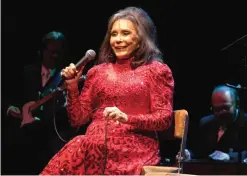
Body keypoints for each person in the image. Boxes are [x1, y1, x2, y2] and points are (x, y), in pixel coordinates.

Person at [40, 6, 174, 175]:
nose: (117, 39)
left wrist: (127, 118)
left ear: (141, 38)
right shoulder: (97, 72)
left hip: (135, 148)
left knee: (80, 145)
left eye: (125, 33)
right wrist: (73, 87)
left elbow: (164, 119)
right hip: (92, 146)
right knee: (79, 144)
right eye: (114, 34)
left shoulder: (156, 71)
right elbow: (78, 120)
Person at [2, 31, 76, 174]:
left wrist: (63, 104)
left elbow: (70, 115)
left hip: (50, 138)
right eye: (51, 52)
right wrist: (10, 108)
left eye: (59, 53)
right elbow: (5, 96)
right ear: (42, 51)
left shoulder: (67, 77)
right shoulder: (25, 71)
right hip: (22, 134)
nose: (55, 56)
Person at [180, 84, 247, 163]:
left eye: (225, 108)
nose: (221, 113)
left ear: (237, 104)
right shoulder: (206, 123)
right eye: (216, 109)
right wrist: (189, 154)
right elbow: (199, 151)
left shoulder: (245, 121)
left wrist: (230, 156)